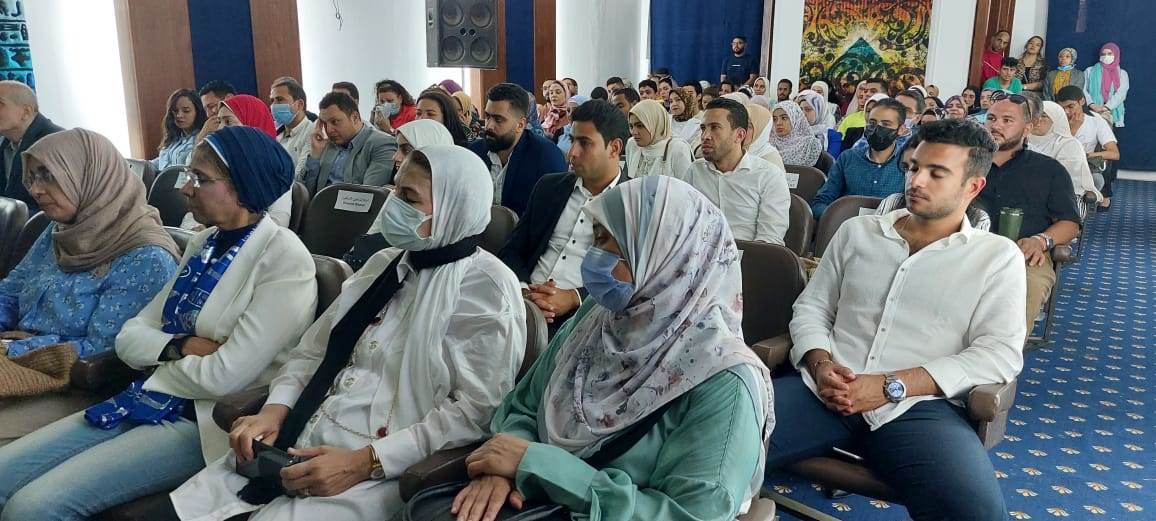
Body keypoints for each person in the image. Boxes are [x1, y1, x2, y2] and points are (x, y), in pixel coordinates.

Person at [172, 144, 527, 521]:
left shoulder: (488, 288)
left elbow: (474, 412)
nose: (392, 204)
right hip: (298, 433)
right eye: (395, 189)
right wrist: (275, 410)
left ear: (455, 208)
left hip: (384, 468)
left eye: (409, 198)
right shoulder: (383, 265)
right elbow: (313, 352)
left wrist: (365, 462)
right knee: (187, 509)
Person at [0, 126, 315, 519]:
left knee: (32, 507)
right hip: (145, 395)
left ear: (243, 187)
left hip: (204, 421)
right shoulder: (203, 244)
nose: (186, 188)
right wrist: (178, 346)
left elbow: (224, 378)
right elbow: (129, 337)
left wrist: (158, 360)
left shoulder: (285, 260)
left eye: (200, 178)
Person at [437, 174, 772, 521]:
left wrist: (539, 466)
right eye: (595, 238)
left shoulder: (724, 383)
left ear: (663, 255)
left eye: (608, 241)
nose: (593, 256)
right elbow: (525, 405)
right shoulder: (599, 317)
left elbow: (690, 514)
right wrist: (501, 466)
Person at [770, 118, 1023, 521]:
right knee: (703, 441)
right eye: (913, 167)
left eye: (937, 173)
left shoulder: (996, 257)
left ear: (973, 187)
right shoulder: (858, 232)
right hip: (823, 389)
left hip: (919, 408)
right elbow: (812, 308)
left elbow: (999, 354)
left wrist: (891, 386)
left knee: (977, 513)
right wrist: (820, 364)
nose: (916, 181)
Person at [0, 129, 178, 446]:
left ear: (89, 177)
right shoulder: (61, 229)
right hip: (22, 359)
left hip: (79, 386)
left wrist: (21, 346)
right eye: (33, 177)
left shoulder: (146, 257)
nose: (36, 189)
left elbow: (108, 349)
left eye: (49, 176)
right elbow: (12, 290)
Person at [499, 100, 629, 332]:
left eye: (584, 143)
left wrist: (574, 298)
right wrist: (524, 291)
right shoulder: (550, 187)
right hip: (522, 302)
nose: (572, 153)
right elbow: (513, 249)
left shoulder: (633, 203)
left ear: (614, 148)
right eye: (572, 140)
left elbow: (633, 280)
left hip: (587, 316)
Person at [981, 92, 1081, 331]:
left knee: (1025, 290)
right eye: (991, 118)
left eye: (1007, 120)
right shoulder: (966, 164)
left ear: (1027, 128)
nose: (996, 125)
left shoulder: (1049, 170)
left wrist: (1040, 241)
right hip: (968, 247)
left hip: (1025, 255)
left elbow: (1070, 223)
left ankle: (1003, 351)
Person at [674, 97, 790, 245]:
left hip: (747, 255)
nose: (705, 136)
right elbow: (681, 222)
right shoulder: (695, 170)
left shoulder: (768, 176)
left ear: (739, 135)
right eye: (703, 128)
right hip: (698, 254)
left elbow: (769, 240)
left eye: (715, 127)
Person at [181, 95, 293, 230]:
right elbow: (192, 211)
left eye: (228, 122)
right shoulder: (218, 161)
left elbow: (278, 222)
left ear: (251, 124)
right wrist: (196, 229)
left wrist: (213, 231)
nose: (220, 129)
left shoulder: (275, 168)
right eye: (219, 122)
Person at [469, 83, 568, 216]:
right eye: (487, 117)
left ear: (520, 124)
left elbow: (551, 216)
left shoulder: (546, 157)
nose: (489, 126)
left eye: (498, 119)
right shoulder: (474, 153)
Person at [812, 99, 910, 218]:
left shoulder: (908, 163)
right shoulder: (848, 158)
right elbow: (821, 201)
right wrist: (838, 220)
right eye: (872, 122)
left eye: (886, 124)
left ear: (901, 129)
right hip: (848, 224)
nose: (877, 129)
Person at [299, 91, 397, 196]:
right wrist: (315, 156)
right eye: (325, 124)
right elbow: (306, 193)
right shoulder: (327, 144)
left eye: (335, 122)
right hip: (320, 204)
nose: (329, 129)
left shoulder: (382, 144)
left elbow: (368, 196)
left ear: (355, 117)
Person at [0, 81, 63, 212]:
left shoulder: (56, 143)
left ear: (26, 112)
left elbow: (60, 207)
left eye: (0, 104)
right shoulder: (5, 142)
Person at [1056, 85, 1119, 210]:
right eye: (1062, 108)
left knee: (1097, 179)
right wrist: (1072, 130)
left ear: (1082, 101)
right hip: (1059, 164)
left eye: (1070, 106)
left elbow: (1114, 153)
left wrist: (1087, 156)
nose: (1066, 112)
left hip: (1084, 165)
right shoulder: (1055, 119)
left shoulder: (1095, 121)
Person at [1029, 99, 1101, 206]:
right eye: (1034, 115)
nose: (1037, 120)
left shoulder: (1069, 145)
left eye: (1044, 116)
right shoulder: (1021, 139)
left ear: (1055, 120)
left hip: (1056, 198)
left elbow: (1064, 179)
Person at [625, 100, 692, 179]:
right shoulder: (632, 144)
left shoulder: (677, 148)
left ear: (656, 123)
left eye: (640, 126)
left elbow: (686, 184)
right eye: (631, 126)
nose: (634, 132)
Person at [152, 88, 207, 171]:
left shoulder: (203, 137)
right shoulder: (174, 138)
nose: (179, 115)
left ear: (198, 112)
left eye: (186, 111)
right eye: (175, 111)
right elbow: (160, 162)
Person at [270, 78, 315, 173]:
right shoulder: (271, 128)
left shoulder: (312, 132)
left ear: (299, 104)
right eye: (272, 100)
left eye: (279, 99)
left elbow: (301, 175)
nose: (273, 105)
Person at [1084, 42, 1129, 131]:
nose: (1106, 56)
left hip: (1112, 112)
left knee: (1107, 137)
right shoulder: (1089, 71)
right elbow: (1083, 89)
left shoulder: (1122, 73)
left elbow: (1121, 94)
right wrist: (1092, 105)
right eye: (1103, 54)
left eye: (1109, 54)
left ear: (1116, 54)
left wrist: (1106, 107)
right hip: (1092, 110)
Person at [769, 101, 824, 168]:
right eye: (774, 119)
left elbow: (816, 173)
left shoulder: (811, 145)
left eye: (784, 118)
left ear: (796, 119)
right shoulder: (769, 144)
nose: (778, 123)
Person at [742, 104, 787, 172]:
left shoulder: (771, 159)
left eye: (749, 126)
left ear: (761, 131)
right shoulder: (735, 151)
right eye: (741, 124)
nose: (741, 130)